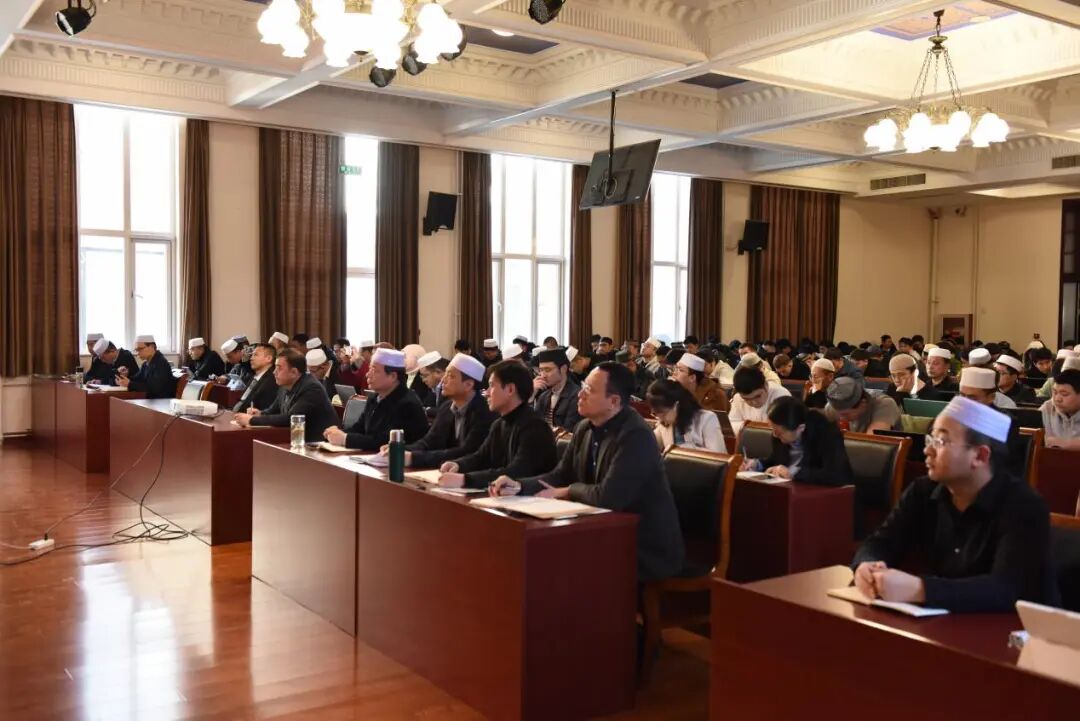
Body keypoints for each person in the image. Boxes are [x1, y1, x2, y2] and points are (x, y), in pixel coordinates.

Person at [851, 396, 1058, 612]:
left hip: (1013, 627)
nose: (927, 450)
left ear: (980, 456)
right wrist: (867, 565)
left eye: (940, 442)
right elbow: (880, 541)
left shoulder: (1024, 505)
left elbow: (1005, 589)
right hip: (943, 621)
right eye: (930, 440)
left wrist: (921, 589)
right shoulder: (922, 491)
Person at [491, 362, 685, 582]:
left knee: (556, 561)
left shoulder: (635, 436)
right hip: (601, 532)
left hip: (643, 546)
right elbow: (559, 476)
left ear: (613, 401)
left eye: (589, 390)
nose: (580, 394)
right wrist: (519, 486)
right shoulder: (585, 427)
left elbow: (608, 497)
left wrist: (567, 491)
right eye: (583, 386)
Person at [437, 360, 558, 489]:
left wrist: (466, 479)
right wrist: (458, 465)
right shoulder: (499, 424)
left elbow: (517, 472)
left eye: (491, 386)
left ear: (510, 389)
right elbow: (481, 457)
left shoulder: (535, 427)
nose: (487, 393)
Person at [390, 353, 497, 468]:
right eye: (445, 374)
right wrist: (399, 449)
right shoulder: (446, 408)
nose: (443, 380)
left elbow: (466, 452)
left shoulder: (485, 412)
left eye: (450, 376)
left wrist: (413, 458)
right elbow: (429, 441)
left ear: (468, 385)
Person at [323, 348, 429, 451]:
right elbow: (359, 428)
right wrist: (337, 433)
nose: (367, 374)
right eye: (369, 369)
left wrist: (344, 439)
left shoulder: (407, 403)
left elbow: (382, 441)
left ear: (393, 376)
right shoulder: (374, 398)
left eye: (374, 370)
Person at [741, 396, 852, 486]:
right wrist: (757, 464)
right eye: (773, 430)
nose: (774, 435)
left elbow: (835, 475)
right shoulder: (779, 434)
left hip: (823, 496)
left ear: (800, 428)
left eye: (779, 432)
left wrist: (794, 473)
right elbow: (775, 460)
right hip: (790, 491)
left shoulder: (826, 434)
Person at [235, 349, 338, 441]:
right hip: (296, 440)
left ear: (294, 372)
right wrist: (259, 413)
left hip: (319, 443)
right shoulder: (285, 385)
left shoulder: (312, 388)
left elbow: (290, 419)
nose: (274, 372)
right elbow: (272, 411)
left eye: (279, 368)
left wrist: (252, 420)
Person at [956, 367, 1026, 476]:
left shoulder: (1004, 423)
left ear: (991, 397)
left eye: (972, 398)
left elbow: (997, 464)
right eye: (962, 395)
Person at [646, 378, 725, 452]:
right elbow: (650, 445)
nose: (660, 419)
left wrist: (684, 449)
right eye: (655, 414)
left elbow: (718, 455)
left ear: (676, 405)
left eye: (663, 414)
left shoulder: (707, 419)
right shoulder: (664, 424)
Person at [823, 377, 900, 434]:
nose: (841, 418)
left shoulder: (884, 404)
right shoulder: (834, 406)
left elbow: (872, 443)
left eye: (845, 414)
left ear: (863, 403)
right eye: (838, 414)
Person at [728, 366, 791, 435]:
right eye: (746, 399)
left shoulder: (782, 396)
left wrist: (747, 427)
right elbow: (731, 423)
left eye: (758, 396)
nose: (754, 402)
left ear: (766, 385)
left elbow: (785, 430)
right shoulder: (738, 397)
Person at [531, 348, 582, 431]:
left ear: (563, 369)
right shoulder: (544, 396)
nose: (543, 375)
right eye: (541, 370)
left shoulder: (577, 396)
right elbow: (531, 425)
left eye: (547, 370)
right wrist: (531, 395)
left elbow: (567, 431)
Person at [233, 343, 278, 413]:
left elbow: (265, 410)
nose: (251, 358)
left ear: (269, 358)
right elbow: (243, 400)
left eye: (256, 355)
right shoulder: (254, 376)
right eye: (252, 355)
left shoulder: (271, 381)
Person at [1042, 368, 1080, 449]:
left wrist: (1067, 444)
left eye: (1064, 394)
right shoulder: (1048, 407)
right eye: (1055, 392)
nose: (1057, 399)